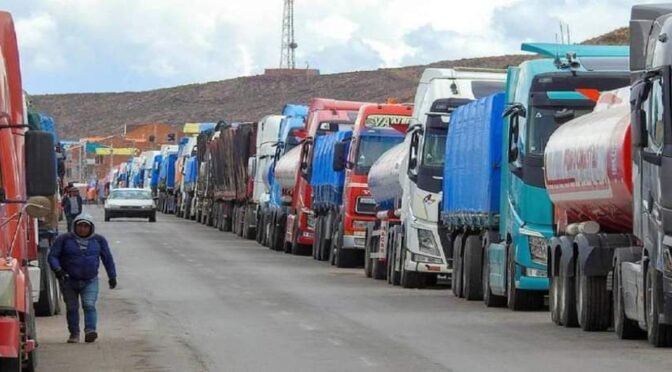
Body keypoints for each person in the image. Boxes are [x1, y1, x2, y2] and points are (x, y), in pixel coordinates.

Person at [48, 213, 117, 344]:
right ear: (75, 226)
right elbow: (53, 256)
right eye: (80, 226)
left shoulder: (98, 240)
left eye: (86, 226)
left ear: (91, 228)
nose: (82, 229)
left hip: (90, 280)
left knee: (89, 305)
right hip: (68, 280)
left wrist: (112, 276)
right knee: (72, 308)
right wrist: (58, 270)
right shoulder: (64, 239)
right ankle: (74, 333)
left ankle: (90, 330)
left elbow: (108, 259)